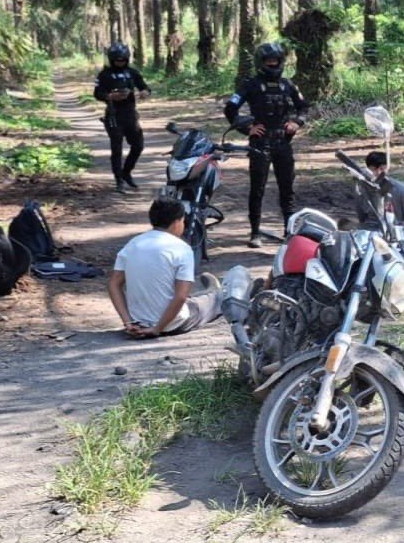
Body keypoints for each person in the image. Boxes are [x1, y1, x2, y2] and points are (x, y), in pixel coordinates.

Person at [224, 42, 310, 248]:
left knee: (287, 189)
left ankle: (289, 232)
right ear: (260, 62)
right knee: (257, 189)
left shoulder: (288, 85)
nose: (273, 64)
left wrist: (297, 123)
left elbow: (304, 108)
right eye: (269, 61)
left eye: (276, 61)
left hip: (283, 143)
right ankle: (255, 233)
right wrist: (247, 129)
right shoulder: (250, 85)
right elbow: (230, 109)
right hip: (260, 144)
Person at [108, 197, 222, 337]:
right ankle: (218, 292)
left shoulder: (133, 244)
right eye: (183, 221)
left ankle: (210, 290)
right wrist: (157, 329)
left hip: (139, 323)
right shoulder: (181, 248)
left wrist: (128, 322)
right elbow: (181, 296)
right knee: (212, 301)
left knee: (189, 300)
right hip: (173, 325)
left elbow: (113, 284)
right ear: (177, 222)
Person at [94, 42, 151, 193]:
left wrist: (145, 92)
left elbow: (144, 87)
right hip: (114, 115)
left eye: (123, 60)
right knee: (117, 149)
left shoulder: (132, 73)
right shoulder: (104, 75)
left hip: (130, 114)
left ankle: (126, 172)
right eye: (117, 60)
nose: (120, 62)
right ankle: (119, 180)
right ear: (111, 59)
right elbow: (97, 93)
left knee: (138, 145)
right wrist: (110, 96)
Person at [356, 151, 404, 229]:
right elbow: (362, 219)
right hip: (373, 232)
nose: (378, 173)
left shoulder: (401, 190)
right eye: (374, 169)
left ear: (386, 168)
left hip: (398, 232)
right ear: (368, 169)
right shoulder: (361, 191)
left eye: (381, 169)